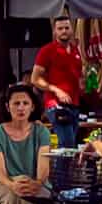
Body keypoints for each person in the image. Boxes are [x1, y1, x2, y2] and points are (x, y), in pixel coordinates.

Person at [30, 15, 84, 149]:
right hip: (55, 104)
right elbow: (34, 79)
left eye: (66, 28)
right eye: (60, 29)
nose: (64, 31)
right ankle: (59, 171)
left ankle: (63, 170)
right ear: (54, 31)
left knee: (70, 147)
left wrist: (84, 82)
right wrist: (56, 90)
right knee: (67, 145)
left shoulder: (76, 50)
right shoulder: (47, 51)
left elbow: (78, 75)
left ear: (72, 29)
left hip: (75, 103)